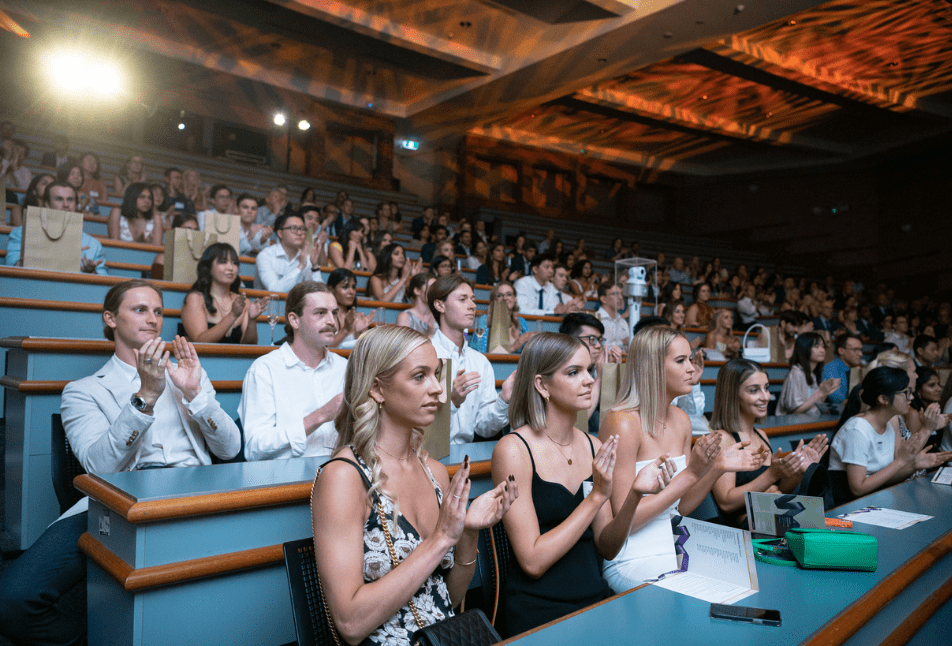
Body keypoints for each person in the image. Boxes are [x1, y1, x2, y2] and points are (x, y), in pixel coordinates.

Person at [0, 280, 240, 646]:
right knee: (14, 601)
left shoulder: (189, 374)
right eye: (140, 309)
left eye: (159, 311)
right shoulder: (84, 390)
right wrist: (144, 397)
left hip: (196, 495)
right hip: (114, 502)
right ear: (110, 318)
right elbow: (98, 467)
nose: (153, 319)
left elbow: (230, 448)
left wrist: (195, 395)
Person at [310, 325, 517, 646]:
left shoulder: (433, 469)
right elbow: (349, 624)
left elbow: (446, 597)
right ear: (377, 389)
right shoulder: (344, 477)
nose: (437, 388)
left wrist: (469, 531)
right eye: (420, 376)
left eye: (437, 374)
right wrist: (441, 539)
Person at [491, 333, 673, 637]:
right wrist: (596, 497)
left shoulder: (593, 445)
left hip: (595, 600)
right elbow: (533, 561)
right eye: (574, 372)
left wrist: (635, 495)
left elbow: (607, 546)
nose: (589, 380)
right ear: (542, 385)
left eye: (590, 370)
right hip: (540, 610)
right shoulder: (513, 450)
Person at [598, 326, 767, 592]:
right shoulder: (622, 421)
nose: (692, 369)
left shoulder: (681, 420)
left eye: (690, 359)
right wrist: (691, 474)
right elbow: (624, 521)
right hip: (633, 558)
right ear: (652, 366)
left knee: (750, 581)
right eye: (681, 361)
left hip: (677, 547)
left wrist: (716, 468)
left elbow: (682, 506)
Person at [710, 358, 830, 527]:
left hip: (769, 516)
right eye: (754, 390)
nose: (765, 397)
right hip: (742, 529)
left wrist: (798, 470)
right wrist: (771, 476)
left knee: (824, 520)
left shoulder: (762, 435)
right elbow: (726, 503)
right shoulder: (722, 439)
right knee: (815, 526)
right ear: (733, 395)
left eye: (766, 388)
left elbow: (779, 489)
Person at [240, 282, 348, 460]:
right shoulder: (264, 370)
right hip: (286, 480)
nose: (332, 321)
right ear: (294, 320)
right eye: (321, 313)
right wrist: (320, 416)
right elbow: (254, 449)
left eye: (334, 313)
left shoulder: (345, 368)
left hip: (341, 474)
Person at [829, 367, 952, 505]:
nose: (911, 397)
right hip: (846, 507)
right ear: (883, 398)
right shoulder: (857, 429)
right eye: (906, 393)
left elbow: (885, 479)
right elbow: (858, 488)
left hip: (874, 501)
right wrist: (900, 461)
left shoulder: (888, 425)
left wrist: (913, 466)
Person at [428, 274, 515, 443]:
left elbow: (484, 427)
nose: (473, 305)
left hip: (466, 453)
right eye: (462, 299)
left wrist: (504, 400)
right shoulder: (426, 354)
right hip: (427, 453)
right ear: (440, 305)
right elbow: (416, 426)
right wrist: (452, 402)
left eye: (473, 299)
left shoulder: (480, 362)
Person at [4, 181, 108, 275]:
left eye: (70, 200)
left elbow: (102, 284)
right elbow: (14, 271)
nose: (66, 204)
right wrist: (56, 252)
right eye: (59, 199)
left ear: (76, 205)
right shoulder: (21, 233)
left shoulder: (93, 244)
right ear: (47, 204)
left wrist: (91, 272)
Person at [180, 243, 268, 344]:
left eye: (234, 263)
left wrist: (252, 321)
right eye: (223, 262)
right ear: (209, 266)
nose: (231, 267)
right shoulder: (195, 298)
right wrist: (233, 315)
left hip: (236, 359)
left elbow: (250, 346)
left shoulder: (244, 302)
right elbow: (200, 342)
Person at [559, 312, 622, 435]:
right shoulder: (562, 371)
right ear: (571, 340)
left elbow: (613, 414)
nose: (598, 346)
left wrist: (613, 373)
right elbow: (578, 421)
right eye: (592, 340)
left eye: (599, 340)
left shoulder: (595, 367)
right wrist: (599, 379)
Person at [254, 213, 323, 292]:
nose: (299, 233)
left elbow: (319, 292)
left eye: (302, 229)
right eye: (294, 228)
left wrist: (315, 266)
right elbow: (274, 290)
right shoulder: (266, 255)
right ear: (280, 233)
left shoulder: (306, 258)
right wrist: (300, 267)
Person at [777, 332, 840, 416]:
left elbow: (813, 406)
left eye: (823, 346)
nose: (822, 350)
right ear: (804, 348)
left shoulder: (812, 374)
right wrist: (820, 393)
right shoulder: (796, 373)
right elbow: (794, 412)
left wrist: (825, 392)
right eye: (816, 346)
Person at [478, 282, 534, 354]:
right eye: (500, 295)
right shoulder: (485, 320)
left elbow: (528, 353)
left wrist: (532, 342)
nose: (505, 298)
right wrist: (514, 347)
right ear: (494, 300)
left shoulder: (521, 321)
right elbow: (481, 352)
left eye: (509, 294)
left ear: (515, 298)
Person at [327, 268, 374, 348]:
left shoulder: (359, 317)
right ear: (331, 289)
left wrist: (359, 333)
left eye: (353, 287)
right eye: (345, 287)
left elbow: (363, 351)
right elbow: (324, 348)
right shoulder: (325, 317)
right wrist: (345, 329)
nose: (351, 292)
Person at [823, 333, 864, 407]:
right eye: (855, 350)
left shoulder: (855, 370)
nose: (861, 354)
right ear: (841, 350)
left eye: (861, 350)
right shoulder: (830, 368)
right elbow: (840, 403)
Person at [396, 272, 437, 336]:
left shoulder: (437, 316)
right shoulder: (405, 317)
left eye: (436, 287)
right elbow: (403, 345)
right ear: (417, 291)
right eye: (431, 287)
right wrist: (430, 333)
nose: (436, 291)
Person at [595, 282, 629, 351]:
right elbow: (596, 348)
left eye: (621, 294)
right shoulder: (596, 320)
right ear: (603, 299)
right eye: (615, 294)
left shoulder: (622, 321)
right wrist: (622, 342)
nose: (620, 297)